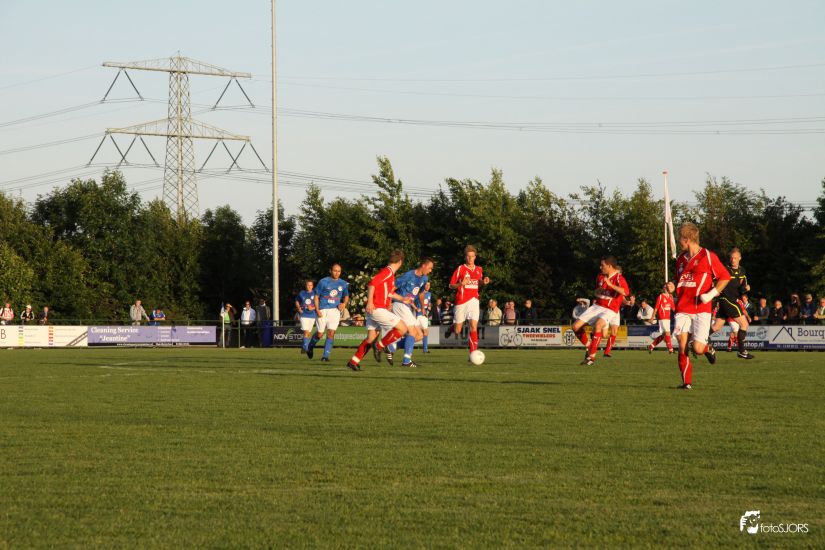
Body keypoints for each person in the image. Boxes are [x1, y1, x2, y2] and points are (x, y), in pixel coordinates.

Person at [672, 222, 731, 389]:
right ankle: (686, 383)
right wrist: (671, 287)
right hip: (683, 308)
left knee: (697, 348)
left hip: (701, 309)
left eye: (680, 238)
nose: (679, 241)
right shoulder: (680, 259)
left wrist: (711, 294)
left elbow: (725, 277)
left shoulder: (708, 256)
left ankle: (707, 349)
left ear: (687, 239)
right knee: (682, 345)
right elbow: (678, 282)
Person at [347, 249, 410, 371]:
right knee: (402, 328)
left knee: (370, 338)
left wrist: (403, 299)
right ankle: (379, 346)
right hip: (377, 308)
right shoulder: (388, 272)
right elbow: (372, 284)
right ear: (400, 262)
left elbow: (389, 293)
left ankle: (353, 362)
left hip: (375, 309)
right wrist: (370, 302)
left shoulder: (389, 274)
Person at [571, 256, 629, 366]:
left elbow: (625, 292)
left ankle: (591, 358)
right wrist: (598, 291)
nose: (600, 267)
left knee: (598, 325)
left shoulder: (619, 278)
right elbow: (596, 293)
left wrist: (611, 285)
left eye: (602, 265)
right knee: (575, 327)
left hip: (610, 309)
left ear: (609, 266)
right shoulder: (600, 276)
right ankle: (590, 346)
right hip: (597, 306)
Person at [709, 248, 754, 359]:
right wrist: (713, 287)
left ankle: (700, 338)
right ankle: (742, 351)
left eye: (735, 258)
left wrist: (746, 288)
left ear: (740, 258)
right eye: (731, 258)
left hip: (731, 300)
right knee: (744, 324)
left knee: (716, 327)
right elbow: (713, 278)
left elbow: (742, 289)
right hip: (727, 300)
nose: (733, 260)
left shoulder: (742, 271)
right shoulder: (725, 270)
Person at [389, 258, 434, 367]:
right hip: (400, 304)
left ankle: (391, 347)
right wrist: (388, 302)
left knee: (419, 335)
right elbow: (391, 288)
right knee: (412, 332)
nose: (430, 271)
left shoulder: (424, 278)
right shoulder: (408, 275)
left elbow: (421, 293)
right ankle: (406, 361)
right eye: (430, 268)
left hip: (407, 307)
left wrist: (422, 307)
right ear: (423, 265)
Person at [449, 245, 491, 356]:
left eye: (472, 256)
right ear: (465, 257)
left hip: (474, 300)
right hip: (461, 301)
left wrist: (483, 282)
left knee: (473, 326)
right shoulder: (460, 269)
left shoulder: (479, 269)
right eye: (468, 256)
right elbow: (451, 285)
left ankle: (473, 354)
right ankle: (452, 328)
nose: (470, 258)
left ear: (475, 257)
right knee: (458, 330)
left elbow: (478, 283)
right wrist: (461, 284)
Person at [307, 263, 350, 362]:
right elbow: (316, 296)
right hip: (322, 310)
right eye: (335, 271)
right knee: (320, 334)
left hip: (335, 311)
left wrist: (344, 304)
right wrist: (317, 309)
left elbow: (346, 296)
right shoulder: (323, 281)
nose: (337, 273)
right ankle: (310, 346)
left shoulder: (343, 283)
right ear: (330, 271)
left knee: (331, 333)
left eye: (339, 271)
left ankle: (325, 356)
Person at [649, 282, 676, 353]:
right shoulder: (660, 296)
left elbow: (673, 308)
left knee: (664, 335)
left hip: (668, 318)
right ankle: (671, 349)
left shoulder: (671, 297)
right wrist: (652, 317)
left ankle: (651, 346)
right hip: (662, 317)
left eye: (665, 287)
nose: (665, 288)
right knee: (667, 333)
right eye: (664, 287)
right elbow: (656, 308)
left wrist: (678, 313)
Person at [295, 280, 317, 354]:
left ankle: (303, 346)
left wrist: (313, 308)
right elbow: (297, 301)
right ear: (306, 286)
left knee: (308, 333)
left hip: (312, 315)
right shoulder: (302, 293)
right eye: (308, 285)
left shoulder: (315, 293)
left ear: (312, 286)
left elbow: (319, 304)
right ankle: (306, 348)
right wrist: (298, 308)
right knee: (306, 331)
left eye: (311, 285)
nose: (309, 286)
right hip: (304, 314)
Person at [416, 281, 434, 353]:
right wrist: (416, 308)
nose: (427, 286)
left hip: (425, 315)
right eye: (426, 285)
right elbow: (412, 301)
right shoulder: (419, 293)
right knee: (424, 332)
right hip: (420, 314)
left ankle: (425, 349)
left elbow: (428, 302)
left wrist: (429, 306)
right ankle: (425, 349)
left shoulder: (429, 294)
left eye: (429, 285)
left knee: (424, 333)